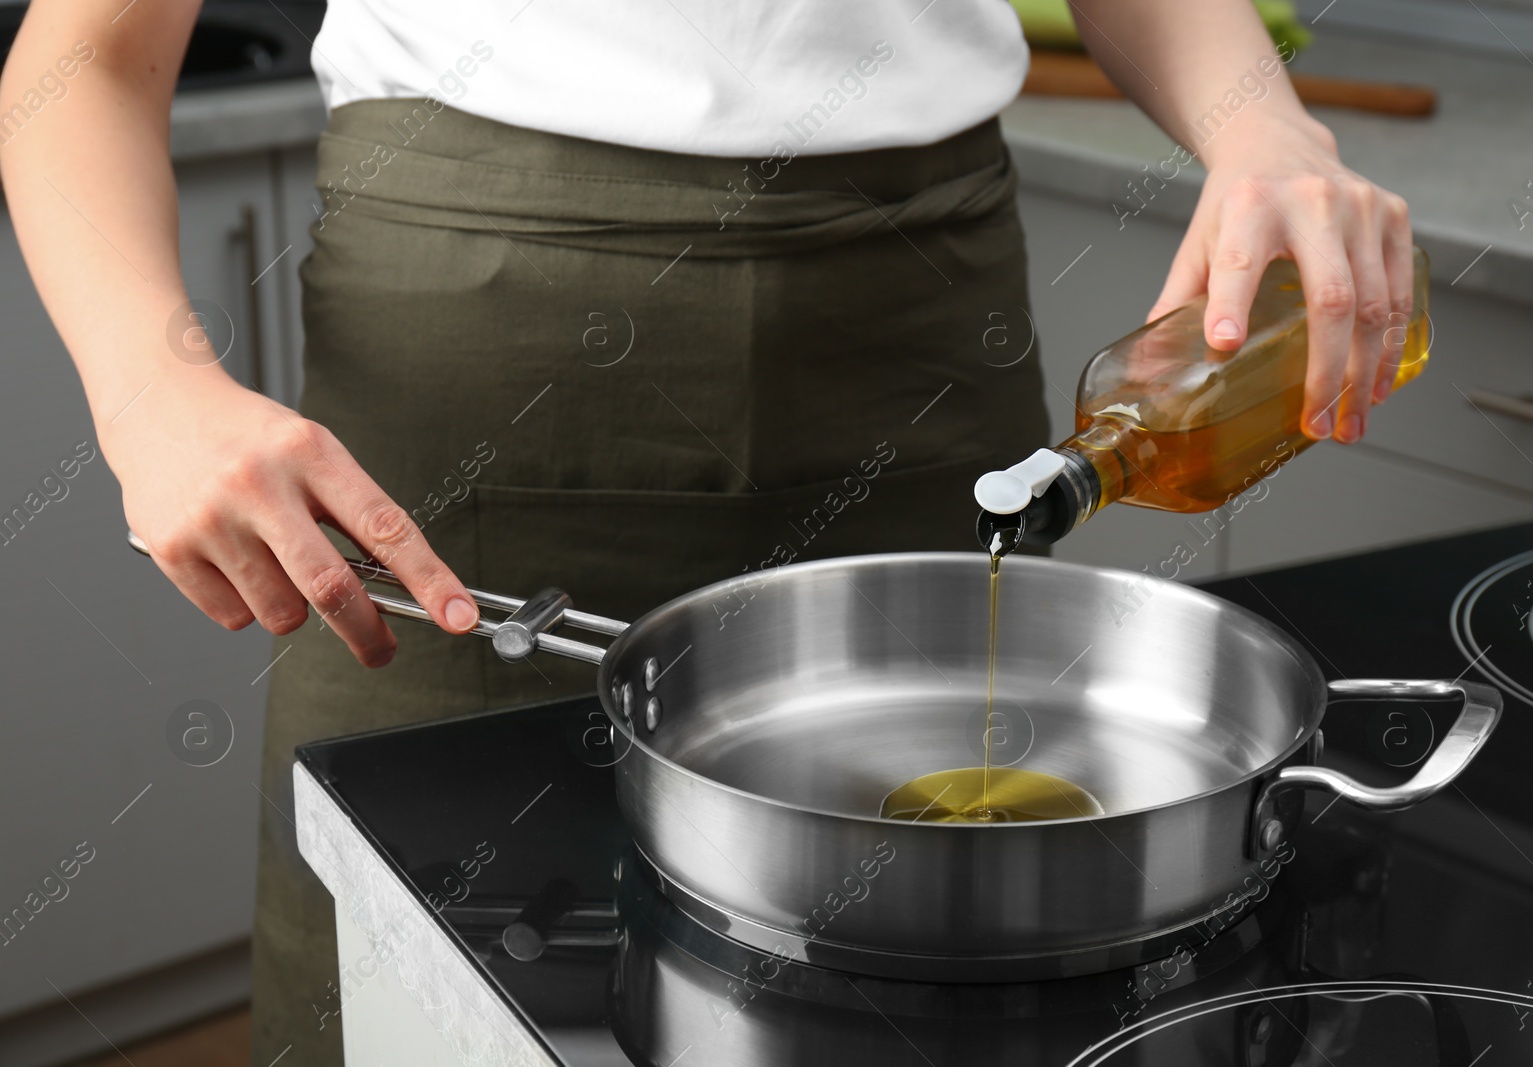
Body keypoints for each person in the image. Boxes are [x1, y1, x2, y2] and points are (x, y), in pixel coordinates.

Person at [1, 0, 1412, 1061]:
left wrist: (1262, 123)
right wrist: (150, 388)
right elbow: (88, 57)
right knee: (420, 966)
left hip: (916, 327)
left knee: (961, 993)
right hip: (473, 362)